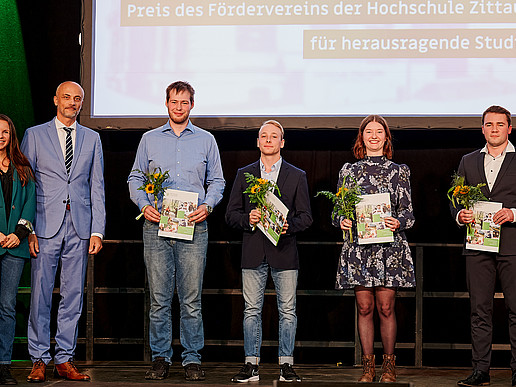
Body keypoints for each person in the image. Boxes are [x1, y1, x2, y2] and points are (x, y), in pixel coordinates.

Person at [128, 81, 225, 381]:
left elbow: (218, 182)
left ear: (192, 105)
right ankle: (160, 358)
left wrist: (207, 206)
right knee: (158, 298)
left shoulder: (207, 140)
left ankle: (192, 358)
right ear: (166, 104)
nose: (179, 107)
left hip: (194, 229)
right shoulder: (149, 139)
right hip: (156, 228)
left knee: (190, 298)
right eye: (174, 102)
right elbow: (134, 178)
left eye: (184, 102)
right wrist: (144, 205)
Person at [20, 81, 105, 382]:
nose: (72, 102)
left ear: (82, 104)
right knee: (41, 294)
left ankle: (64, 359)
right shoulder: (34, 134)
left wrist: (97, 230)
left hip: (80, 226)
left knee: (73, 296)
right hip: (44, 224)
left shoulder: (92, 138)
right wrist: (27, 227)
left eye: (77, 98)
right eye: (67, 97)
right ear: (55, 99)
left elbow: (97, 186)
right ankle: (39, 358)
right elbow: (25, 183)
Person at [225, 120, 312, 383]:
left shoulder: (297, 175)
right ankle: (251, 364)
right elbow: (231, 215)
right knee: (252, 309)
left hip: (284, 251)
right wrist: (247, 219)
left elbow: (306, 217)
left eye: (274, 136)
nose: (269, 140)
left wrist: (289, 226)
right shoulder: (245, 173)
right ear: (258, 142)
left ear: (282, 142)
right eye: (264, 136)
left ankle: (286, 364)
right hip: (253, 252)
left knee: (288, 310)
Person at [334, 115, 415, 383]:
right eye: (369, 132)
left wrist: (398, 221)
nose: (374, 136)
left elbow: (409, 214)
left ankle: (389, 366)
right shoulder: (349, 171)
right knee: (365, 307)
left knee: (386, 307)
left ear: (386, 138)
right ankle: (367, 367)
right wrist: (342, 219)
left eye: (379, 132)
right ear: (362, 137)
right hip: (359, 248)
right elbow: (337, 211)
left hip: (389, 248)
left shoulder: (399, 170)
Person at [451, 105, 516, 387]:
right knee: (480, 310)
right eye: (489, 125)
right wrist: (459, 214)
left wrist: (514, 213)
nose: (494, 129)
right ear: (482, 129)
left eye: (500, 125)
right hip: (478, 245)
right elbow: (455, 197)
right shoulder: (467, 161)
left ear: (509, 128)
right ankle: (481, 371)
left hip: (512, 245)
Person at [0, 115, 35, 385]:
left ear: (12, 135)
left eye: (5, 132)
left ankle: (4, 364)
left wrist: (18, 234)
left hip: (14, 247)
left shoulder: (22, 167)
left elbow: (30, 205)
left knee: (7, 306)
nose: (1, 136)